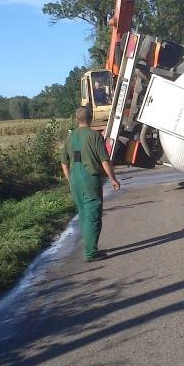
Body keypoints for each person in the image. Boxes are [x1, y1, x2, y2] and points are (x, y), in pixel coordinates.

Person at [61, 106, 121, 261]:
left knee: (83, 212)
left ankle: (89, 246)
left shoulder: (70, 137)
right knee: (93, 213)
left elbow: (64, 164)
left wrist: (70, 179)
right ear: (91, 118)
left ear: (76, 119)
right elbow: (104, 160)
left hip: (75, 176)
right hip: (89, 177)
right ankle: (90, 252)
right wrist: (113, 178)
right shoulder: (95, 136)